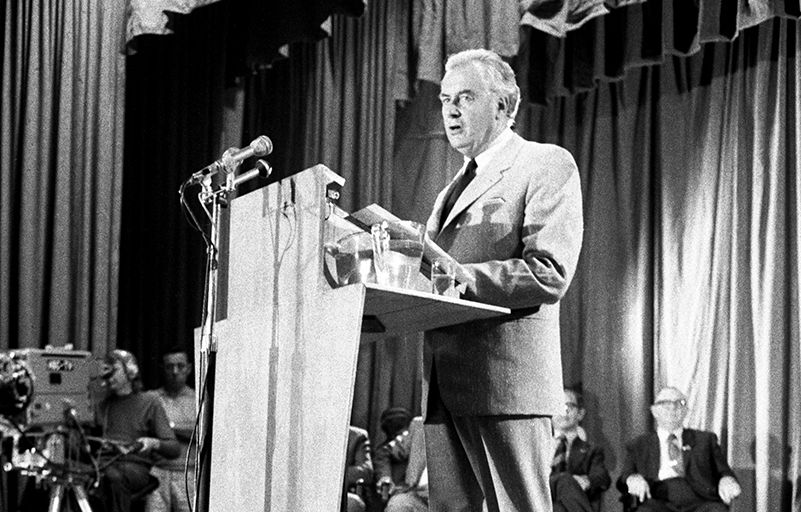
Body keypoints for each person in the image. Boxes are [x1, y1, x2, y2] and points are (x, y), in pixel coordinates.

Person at [423, 48, 583, 511]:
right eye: (445, 98)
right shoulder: (449, 190)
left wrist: (461, 274)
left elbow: (549, 273)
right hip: (444, 387)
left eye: (465, 97)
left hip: (506, 387)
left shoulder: (545, 163)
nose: (450, 109)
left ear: (504, 105)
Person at [617, 386, 742, 511]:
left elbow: (724, 471)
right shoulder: (639, 444)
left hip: (700, 500)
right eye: (665, 403)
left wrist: (727, 480)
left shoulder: (705, 440)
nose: (673, 408)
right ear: (654, 411)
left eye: (679, 403)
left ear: (686, 410)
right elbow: (625, 475)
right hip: (656, 500)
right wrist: (632, 479)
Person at [95, 349, 180, 512]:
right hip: (103, 464)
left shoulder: (149, 402)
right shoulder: (104, 404)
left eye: (115, 368)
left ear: (131, 372)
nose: (109, 374)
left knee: (112, 477)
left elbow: (174, 448)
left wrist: (153, 443)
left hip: (132, 465)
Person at [146, 347, 196, 512]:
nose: (175, 372)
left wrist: (166, 428)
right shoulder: (151, 398)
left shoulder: (198, 400)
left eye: (180, 366)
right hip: (158, 473)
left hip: (187, 474)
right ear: (162, 369)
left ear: (188, 368)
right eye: (170, 366)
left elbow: (201, 435)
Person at [550, 387, 610, 512]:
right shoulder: (540, 444)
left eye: (568, 406)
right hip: (541, 497)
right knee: (564, 480)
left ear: (580, 413)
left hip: (566, 506)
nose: (563, 412)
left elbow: (602, 477)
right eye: (557, 406)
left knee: (559, 507)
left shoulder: (591, 450)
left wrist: (586, 480)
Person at [381, 416, 428, 512]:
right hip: (417, 495)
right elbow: (386, 451)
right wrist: (385, 476)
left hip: (455, 499)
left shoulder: (466, 425)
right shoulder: (419, 424)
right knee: (397, 506)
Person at [374, 407, 413, 500]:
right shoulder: (384, 451)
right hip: (401, 495)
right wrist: (385, 479)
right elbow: (383, 471)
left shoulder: (422, 447)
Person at [342, 425, 374, 512]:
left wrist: (332, 474)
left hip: (345, 493)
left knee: (351, 503)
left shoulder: (357, 436)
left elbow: (366, 472)